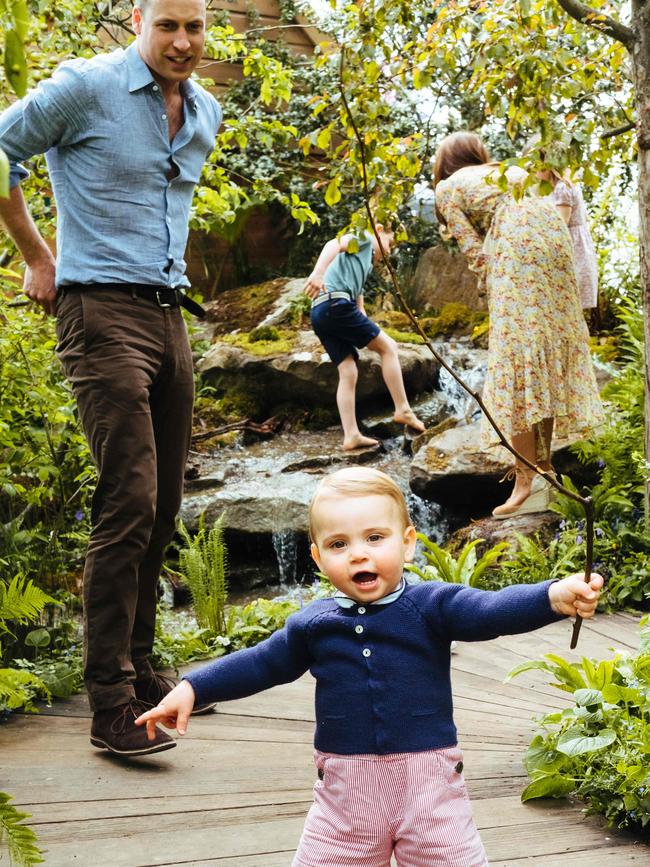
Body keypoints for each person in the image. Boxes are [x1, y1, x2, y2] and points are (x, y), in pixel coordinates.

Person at [135, 466, 603, 866]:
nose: (358, 553)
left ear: (408, 543)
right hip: (344, 802)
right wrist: (194, 686)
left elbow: (490, 610)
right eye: (338, 544)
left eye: (375, 538)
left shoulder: (432, 605)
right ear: (318, 558)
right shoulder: (313, 624)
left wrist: (550, 597)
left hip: (431, 793)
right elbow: (262, 662)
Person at [0, 0, 222, 756]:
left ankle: (146, 667)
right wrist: (37, 256)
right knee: (126, 495)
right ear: (138, 19)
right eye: (168, 26)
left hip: (169, 314)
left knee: (164, 505)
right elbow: (1, 150)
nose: (183, 42)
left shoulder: (204, 112)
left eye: (194, 27)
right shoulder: (85, 87)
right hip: (98, 311)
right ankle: (110, 700)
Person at [433, 132, 603, 519]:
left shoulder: (447, 186)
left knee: (517, 365)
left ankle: (526, 483)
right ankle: (545, 472)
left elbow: (473, 249)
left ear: (445, 163)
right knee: (539, 360)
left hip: (516, 244)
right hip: (551, 238)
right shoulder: (506, 171)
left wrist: (492, 285)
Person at [304, 227, 425, 450]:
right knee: (388, 347)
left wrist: (360, 312)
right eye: (390, 243)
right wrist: (318, 273)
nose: (389, 251)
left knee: (348, 370)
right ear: (379, 230)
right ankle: (403, 409)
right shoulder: (365, 237)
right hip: (335, 303)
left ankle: (351, 435)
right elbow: (333, 244)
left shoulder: (365, 260)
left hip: (320, 312)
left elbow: (356, 290)